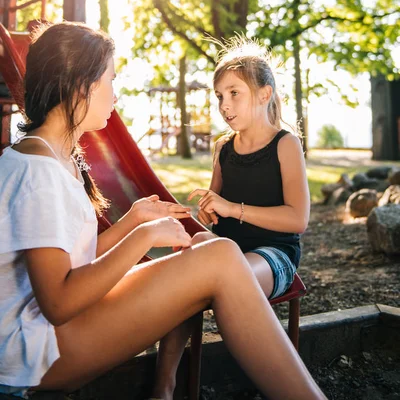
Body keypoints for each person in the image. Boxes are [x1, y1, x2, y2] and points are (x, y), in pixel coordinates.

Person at [0, 22, 326, 400]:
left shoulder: (55, 157)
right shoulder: (37, 171)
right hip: (33, 351)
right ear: (82, 86)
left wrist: (133, 220)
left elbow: (73, 260)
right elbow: (58, 303)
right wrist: (143, 236)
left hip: (47, 335)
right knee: (220, 255)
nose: (116, 96)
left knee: (214, 253)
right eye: (111, 80)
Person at [152, 38, 311, 400]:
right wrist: (209, 211)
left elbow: (298, 219)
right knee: (189, 263)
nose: (224, 105)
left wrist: (232, 208)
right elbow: (215, 209)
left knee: (222, 276)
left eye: (234, 93)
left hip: (274, 256)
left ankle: (275, 385)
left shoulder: (286, 144)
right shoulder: (223, 148)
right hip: (226, 249)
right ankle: (163, 388)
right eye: (219, 96)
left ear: (263, 93)